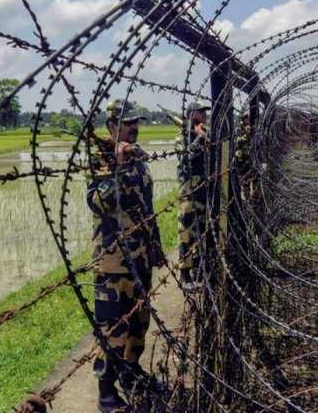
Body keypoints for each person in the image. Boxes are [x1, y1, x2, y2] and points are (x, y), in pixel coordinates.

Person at [86, 99, 165, 413]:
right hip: (113, 262)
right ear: (112, 125)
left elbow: (146, 207)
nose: (134, 127)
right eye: (128, 122)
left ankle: (132, 374)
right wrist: (117, 166)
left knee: (138, 323)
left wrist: (155, 245)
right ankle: (106, 393)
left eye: (137, 122)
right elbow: (97, 202)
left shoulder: (138, 157)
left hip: (140, 256)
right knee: (113, 330)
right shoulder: (100, 158)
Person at [175, 102, 210, 288]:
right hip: (189, 194)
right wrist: (199, 139)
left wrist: (203, 137)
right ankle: (185, 276)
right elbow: (185, 158)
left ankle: (199, 270)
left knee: (202, 234)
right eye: (200, 112)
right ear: (190, 115)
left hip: (204, 193)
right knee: (186, 234)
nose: (204, 115)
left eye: (205, 112)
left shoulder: (203, 134)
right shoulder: (182, 138)